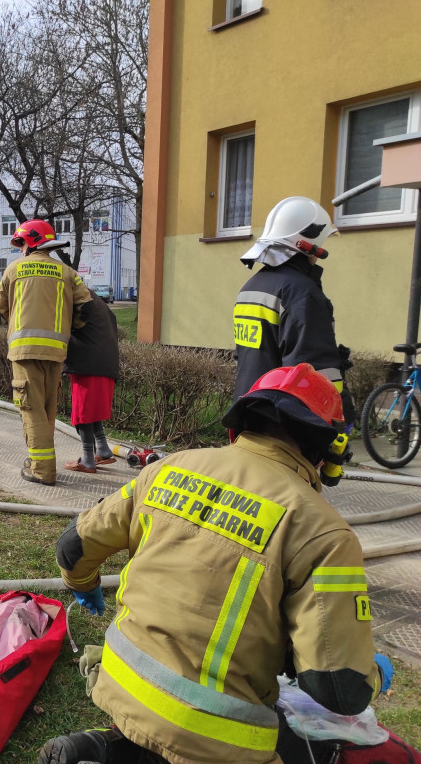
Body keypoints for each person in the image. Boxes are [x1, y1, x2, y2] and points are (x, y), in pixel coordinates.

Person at [41, 364, 393, 764]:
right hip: (214, 729)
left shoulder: (169, 468)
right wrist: (374, 673)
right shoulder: (325, 533)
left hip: (119, 679)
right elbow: (338, 687)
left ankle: (110, 750)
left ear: (241, 422)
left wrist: (84, 584)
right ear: (325, 453)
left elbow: (73, 546)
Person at [233, 196, 355, 427]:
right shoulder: (301, 293)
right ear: (309, 245)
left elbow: (246, 357)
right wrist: (338, 418)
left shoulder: (250, 287)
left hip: (247, 411)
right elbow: (312, 371)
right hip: (284, 423)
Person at [0, 219, 92, 486]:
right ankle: (40, 461)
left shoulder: (14, 269)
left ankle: (42, 470)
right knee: (47, 409)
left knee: (31, 409)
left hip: (24, 351)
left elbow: (2, 306)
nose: (20, 249)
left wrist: (19, 322)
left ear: (30, 242)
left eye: (21, 244)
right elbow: (85, 308)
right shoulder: (67, 272)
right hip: (56, 351)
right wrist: (68, 327)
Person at [63, 291, 120, 473]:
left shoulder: (75, 297)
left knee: (83, 413)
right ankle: (103, 449)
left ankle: (88, 460)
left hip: (88, 362)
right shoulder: (93, 298)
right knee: (92, 409)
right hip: (105, 360)